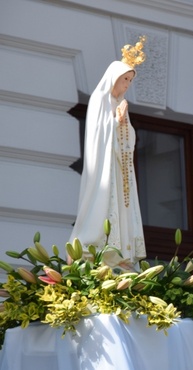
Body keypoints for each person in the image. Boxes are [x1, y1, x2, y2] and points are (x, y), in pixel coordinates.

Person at [70, 36, 148, 269]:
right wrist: (118, 121)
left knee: (122, 209)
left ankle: (121, 254)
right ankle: (96, 250)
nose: (126, 85)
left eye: (129, 81)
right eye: (124, 79)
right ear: (113, 78)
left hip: (120, 169)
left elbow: (129, 140)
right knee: (102, 205)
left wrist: (124, 123)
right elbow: (99, 134)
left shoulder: (119, 104)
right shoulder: (100, 99)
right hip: (104, 168)